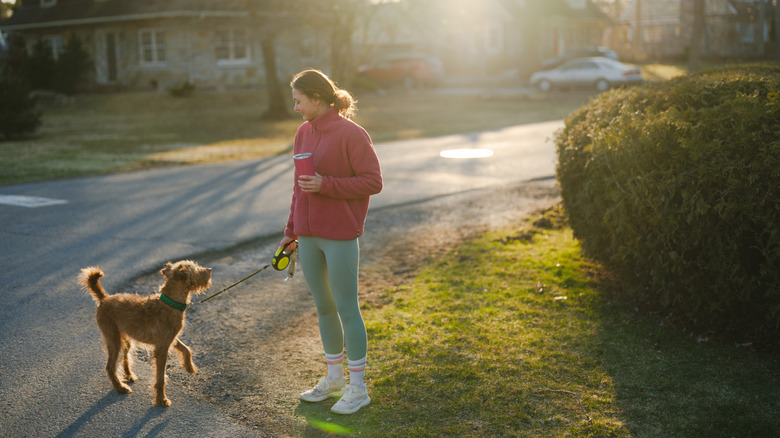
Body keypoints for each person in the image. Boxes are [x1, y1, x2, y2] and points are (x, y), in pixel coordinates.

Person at [280, 69, 382, 415]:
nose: (295, 108)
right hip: (308, 236)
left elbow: (373, 181)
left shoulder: (352, 134)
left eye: (298, 100)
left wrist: (327, 185)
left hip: (339, 234)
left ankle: (358, 388)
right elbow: (298, 186)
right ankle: (335, 379)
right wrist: (290, 231)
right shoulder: (302, 133)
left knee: (346, 308)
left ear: (317, 98)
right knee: (324, 308)